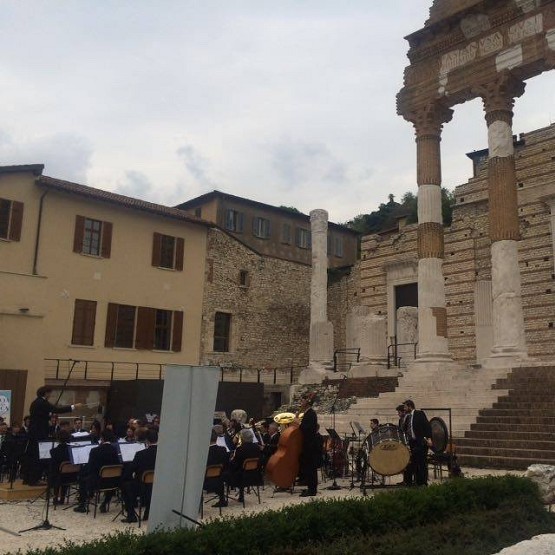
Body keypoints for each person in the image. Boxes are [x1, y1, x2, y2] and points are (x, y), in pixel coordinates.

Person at [22, 386, 82, 486]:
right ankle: (34, 479)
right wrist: (73, 406)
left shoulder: (35, 402)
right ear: (46, 393)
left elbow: (46, 413)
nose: (50, 395)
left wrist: (49, 415)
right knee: (38, 456)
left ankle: (28, 478)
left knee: (32, 456)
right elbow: (57, 409)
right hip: (39, 433)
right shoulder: (42, 403)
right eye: (50, 393)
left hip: (34, 433)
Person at [74, 429, 120, 513]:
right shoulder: (115, 450)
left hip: (98, 482)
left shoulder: (95, 451)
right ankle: (105, 502)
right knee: (110, 476)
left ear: (102, 438)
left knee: (82, 478)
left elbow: (90, 468)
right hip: (113, 482)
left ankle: (82, 504)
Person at [121, 428, 158, 523]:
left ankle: (131, 515)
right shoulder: (163, 454)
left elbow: (131, 470)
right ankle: (148, 512)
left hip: (142, 486)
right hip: (158, 485)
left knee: (125, 485)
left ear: (147, 441)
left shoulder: (140, 454)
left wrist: (124, 477)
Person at [403, 399, 432, 487]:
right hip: (412, 443)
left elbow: (427, 426)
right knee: (414, 463)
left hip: (421, 442)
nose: (404, 409)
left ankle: (423, 483)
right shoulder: (407, 417)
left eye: (405, 407)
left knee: (422, 463)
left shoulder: (419, 414)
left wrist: (429, 438)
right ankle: (417, 482)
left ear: (410, 406)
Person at [228, 428, 261, 503]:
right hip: (255, 474)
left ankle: (226, 495)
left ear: (242, 438)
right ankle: (241, 495)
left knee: (227, 473)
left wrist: (230, 460)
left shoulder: (240, 449)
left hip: (242, 476)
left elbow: (236, 464)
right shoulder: (256, 447)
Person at [297, 392, 319, 497]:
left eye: (302, 400)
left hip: (310, 445)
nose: (300, 402)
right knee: (308, 467)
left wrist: (298, 424)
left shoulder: (311, 413)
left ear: (307, 401)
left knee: (311, 467)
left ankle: (312, 490)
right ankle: (309, 487)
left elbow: (307, 429)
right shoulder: (307, 413)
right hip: (307, 444)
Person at [204, 429, 230, 508]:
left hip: (206, 481)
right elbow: (226, 464)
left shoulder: (205, 452)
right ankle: (222, 499)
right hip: (220, 478)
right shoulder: (223, 449)